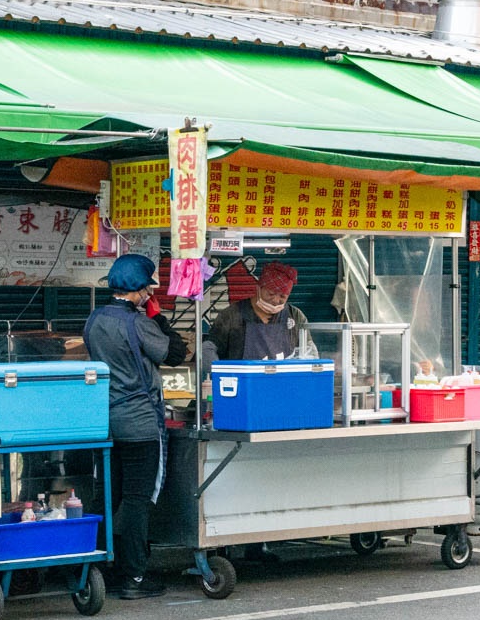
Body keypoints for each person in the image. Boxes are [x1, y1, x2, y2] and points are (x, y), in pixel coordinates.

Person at [84, 253, 187, 599]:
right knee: (137, 500)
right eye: (147, 289)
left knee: (107, 497)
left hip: (104, 424)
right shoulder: (138, 323)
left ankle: (100, 567)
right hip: (141, 424)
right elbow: (173, 354)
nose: (148, 294)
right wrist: (160, 319)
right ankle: (134, 578)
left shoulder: (94, 320)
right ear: (139, 290)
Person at [202, 260, 316, 562]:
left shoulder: (295, 317)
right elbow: (210, 348)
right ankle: (223, 543)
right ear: (258, 288)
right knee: (230, 477)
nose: (277, 302)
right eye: (272, 295)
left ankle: (259, 541)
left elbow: (309, 352)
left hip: (281, 408)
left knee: (267, 477)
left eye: (282, 297)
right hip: (238, 407)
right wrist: (212, 370)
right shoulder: (231, 316)